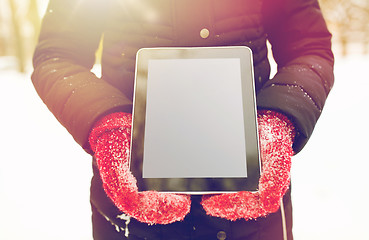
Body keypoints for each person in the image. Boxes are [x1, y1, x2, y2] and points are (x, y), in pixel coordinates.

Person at [31, 0, 334, 239]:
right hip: (133, 202)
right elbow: (57, 57)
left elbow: (310, 49)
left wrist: (280, 119)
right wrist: (106, 125)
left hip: (251, 198)